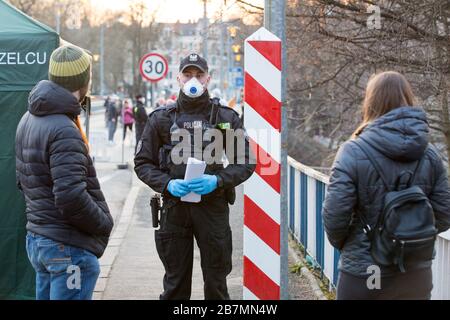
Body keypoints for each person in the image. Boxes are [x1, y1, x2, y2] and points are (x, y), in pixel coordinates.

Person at [134, 53, 256, 300]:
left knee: (216, 284)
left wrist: (218, 180)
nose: (193, 80)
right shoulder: (161, 118)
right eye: (188, 74)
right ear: (178, 78)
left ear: (208, 78)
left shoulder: (224, 118)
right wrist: (167, 183)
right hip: (173, 207)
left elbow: (244, 162)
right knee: (175, 285)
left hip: (213, 208)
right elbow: (142, 163)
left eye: (199, 75)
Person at [322, 71, 450, 300]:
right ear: (408, 99)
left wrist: (353, 245)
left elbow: (335, 216)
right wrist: (411, 237)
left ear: (370, 102)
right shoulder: (430, 154)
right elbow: (444, 213)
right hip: (414, 271)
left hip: (365, 271)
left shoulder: (352, 151)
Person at [15, 45, 114, 300]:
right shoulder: (63, 128)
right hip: (67, 247)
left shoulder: (28, 117)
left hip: (40, 241)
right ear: (84, 80)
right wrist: (103, 223)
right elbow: (70, 196)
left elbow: (23, 181)